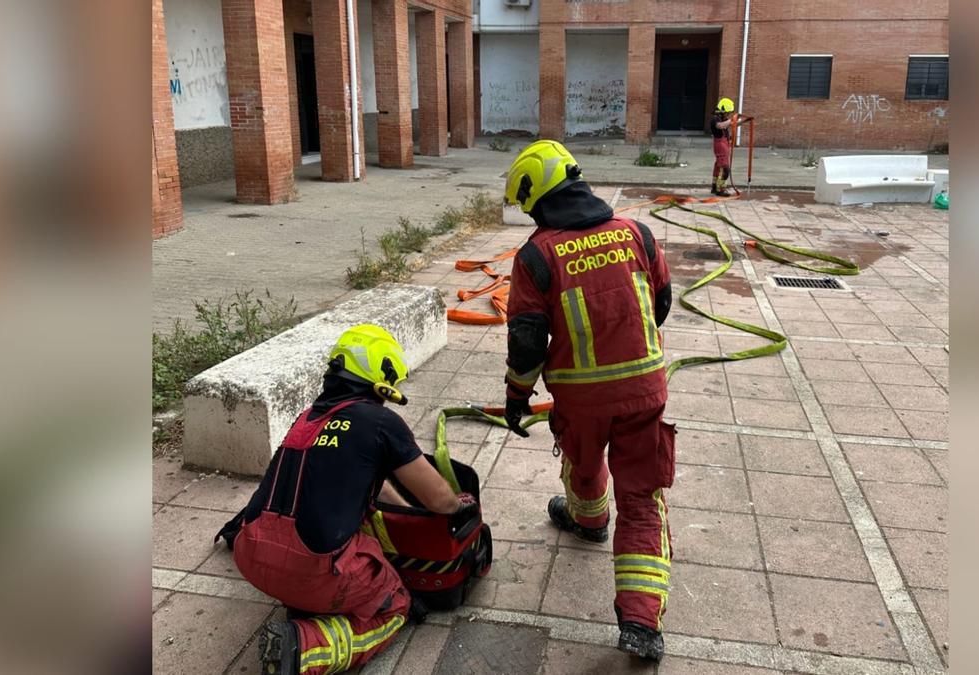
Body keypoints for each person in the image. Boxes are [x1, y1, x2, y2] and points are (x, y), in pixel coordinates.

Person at [214, 324, 475, 675]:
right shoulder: (381, 422)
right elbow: (440, 501)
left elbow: (376, 485)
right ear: (381, 379)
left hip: (252, 556)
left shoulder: (306, 418)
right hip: (309, 571)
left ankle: (310, 601)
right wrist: (461, 506)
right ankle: (303, 648)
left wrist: (408, 512)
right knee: (394, 606)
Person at [501, 140, 676, 661]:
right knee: (642, 500)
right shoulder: (636, 233)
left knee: (583, 462)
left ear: (540, 199)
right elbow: (661, 301)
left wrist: (516, 396)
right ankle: (642, 625)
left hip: (579, 398)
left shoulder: (537, 255)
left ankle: (590, 521)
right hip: (645, 388)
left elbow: (528, 342)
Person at [710, 97, 736, 196]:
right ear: (723, 110)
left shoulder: (722, 119)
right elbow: (720, 126)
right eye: (727, 112)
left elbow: (732, 123)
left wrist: (742, 120)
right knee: (724, 168)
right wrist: (731, 120)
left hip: (724, 145)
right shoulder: (715, 119)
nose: (728, 114)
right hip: (720, 145)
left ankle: (714, 187)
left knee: (718, 166)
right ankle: (720, 189)